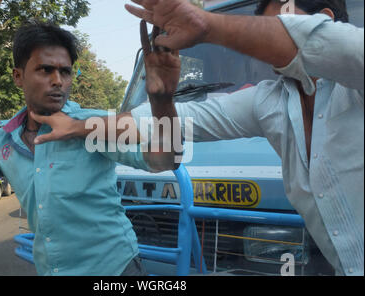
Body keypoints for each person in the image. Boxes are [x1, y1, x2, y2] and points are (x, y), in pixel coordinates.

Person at [31, 0, 364, 276]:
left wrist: (209, 26)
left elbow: (344, 49)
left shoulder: (355, 80)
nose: (262, 49)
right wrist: (156, 100)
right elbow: (184, 121)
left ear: (324, 22)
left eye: (274, 30)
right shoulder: (271, 101)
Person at [0, 20, 181, 276]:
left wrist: (162, 99)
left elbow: (167, 159)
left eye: (65, 71)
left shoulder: (92, 123)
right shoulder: (3, 141)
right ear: (18, 76)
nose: (58, 80)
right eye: (45, 70)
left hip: (116, 269)